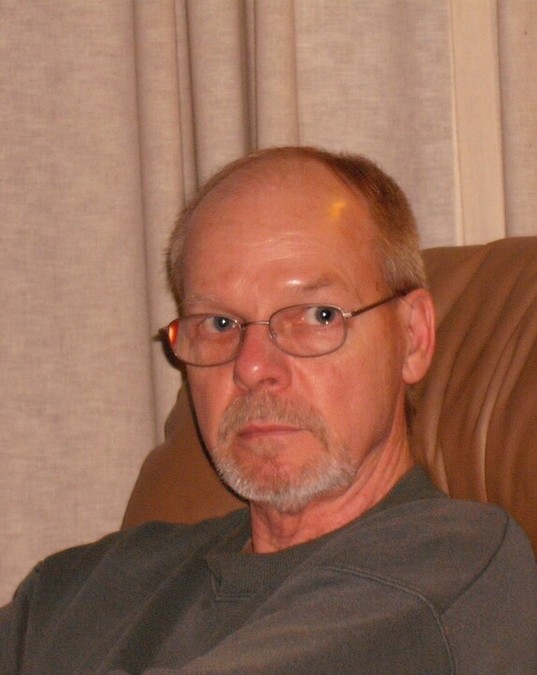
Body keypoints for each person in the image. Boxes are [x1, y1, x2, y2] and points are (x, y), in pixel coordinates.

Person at [1, 147, 536, 674]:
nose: (252, 367)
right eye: (218, 324)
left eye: (318, 315)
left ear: (413, 337)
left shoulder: (454, 568)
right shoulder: (79, 591)